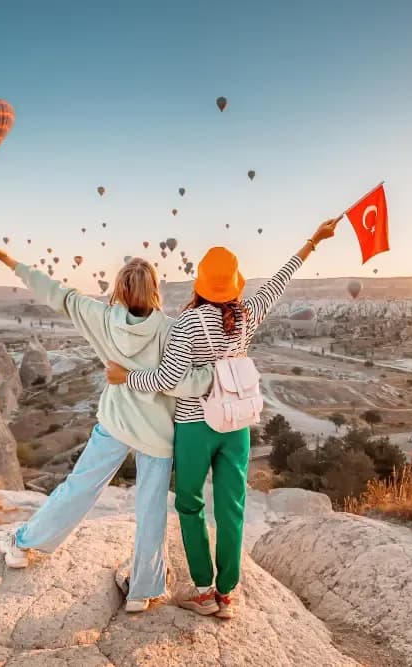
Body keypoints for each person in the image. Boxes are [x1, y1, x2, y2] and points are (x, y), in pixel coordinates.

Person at [106, 217, 339, 619]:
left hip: (196, 426)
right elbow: (280, 281)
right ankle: (228, 594)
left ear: (199, 283)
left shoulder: (186, 325)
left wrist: (127, 377)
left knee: (191, 505)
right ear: (235, 283)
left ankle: (202, 591)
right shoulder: (246, 315)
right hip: (237, 427)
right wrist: (313, 241)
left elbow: (167, 379)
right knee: (232, 508)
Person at [0, 238, 213, 613]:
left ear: (118, 289)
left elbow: (57, 293)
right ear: (155, 291)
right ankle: (143, 590)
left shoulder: (101, 317)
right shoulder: (171, 330)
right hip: (157, 433)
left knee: (80, 486)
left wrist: (11, 261)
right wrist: (212, 374)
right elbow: (189, 380)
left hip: (114, 422)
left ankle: (24, 546)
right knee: (151, 508)